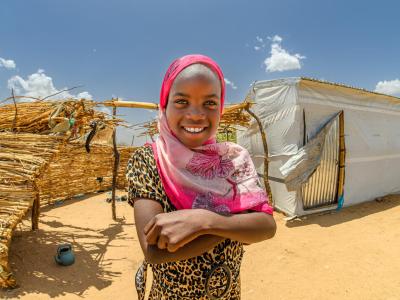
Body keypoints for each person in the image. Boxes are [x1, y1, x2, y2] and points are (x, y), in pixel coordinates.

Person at [126, 54, 276, 299]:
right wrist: (236, 220)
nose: (196, 114)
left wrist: (204, 220)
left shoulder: (233, 160)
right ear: (164, 104)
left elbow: (267, 226)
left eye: (209, 103)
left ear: (221, 106)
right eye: (182, 101)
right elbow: (154, 251)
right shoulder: (149, 159)